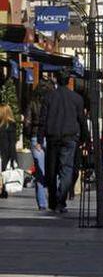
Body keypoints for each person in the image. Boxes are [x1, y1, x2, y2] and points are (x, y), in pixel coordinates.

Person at [36, 70, 88, 213]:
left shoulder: (49, 97)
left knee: (51, 170)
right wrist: (85, 138)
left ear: (56, 80)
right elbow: (82, 120)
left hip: (53, 137)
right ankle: (60, 200)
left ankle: (54, 201)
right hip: (70, 137)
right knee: (67, 170)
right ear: (69, 80)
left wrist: (40, 139)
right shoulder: (77, 98)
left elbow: (43, 120)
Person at [24, 80, 53, 210]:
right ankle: (55, 199)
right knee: (54, 170)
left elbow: (27, 123)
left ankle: (42, 204)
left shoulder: (32, 103)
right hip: (51, 137)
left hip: (36, 138)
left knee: (39, 173)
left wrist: (29, 137)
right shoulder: (52, 103)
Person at [0, 104, 17, 199]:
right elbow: (12, 142)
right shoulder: (11, 125)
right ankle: (3, 189)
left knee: (2, 171)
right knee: (4, 172)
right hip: (6, 152)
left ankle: (2, 189)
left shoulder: (8, 124)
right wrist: (13, 157)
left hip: (3, 152)